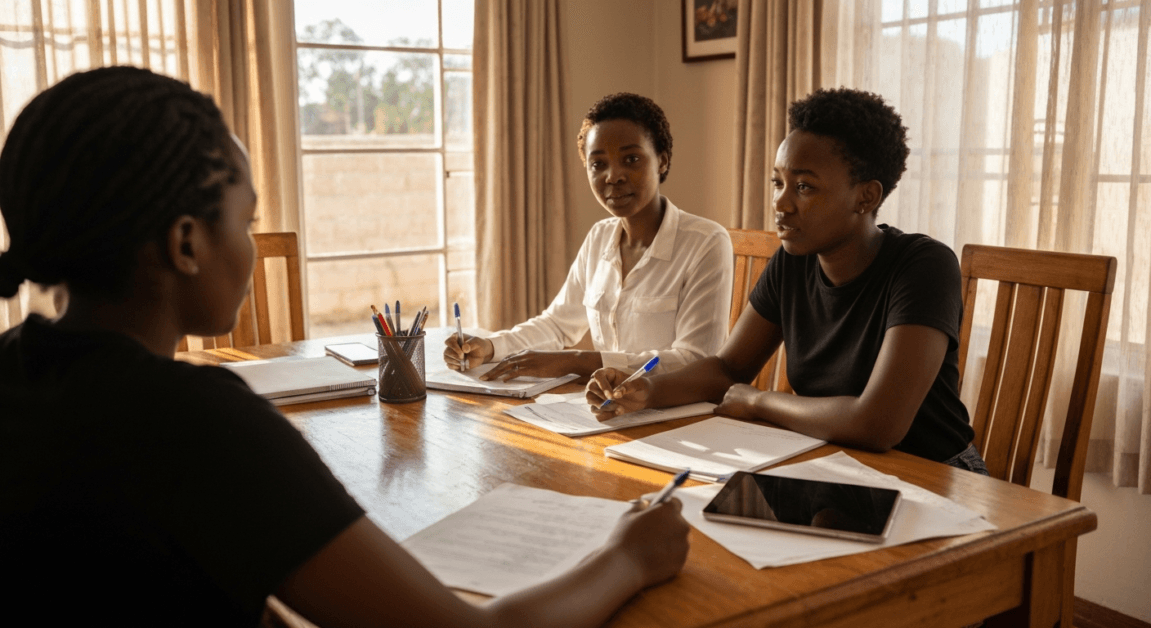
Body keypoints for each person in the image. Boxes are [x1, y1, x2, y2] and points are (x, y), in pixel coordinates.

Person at [0, 66, 689, 627]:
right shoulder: (195, 423)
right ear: (186, 244)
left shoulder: (15, 369)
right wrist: (625, 558)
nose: (251, 242)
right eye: (248, 220)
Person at [587, 88, 988, 474]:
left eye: (804, 187)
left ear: (865, 197)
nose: (780, 202)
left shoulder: (924, 266)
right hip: (839, 465)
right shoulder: (794, 260)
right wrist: (647, 391)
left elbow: (878, 423)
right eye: (778, 183)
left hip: (936, 473)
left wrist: (760, 402)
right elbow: (728, 368)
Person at [444, 92, 733, 382]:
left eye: (631, 159)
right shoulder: (600, 238)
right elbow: (557, 325)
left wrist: (577, 361)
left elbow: (695, 360)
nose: (613, 176)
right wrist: (490, 346)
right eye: (598, 164)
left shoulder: (706, 243)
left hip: (678, 414)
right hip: (607, 407)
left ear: (662, 161)